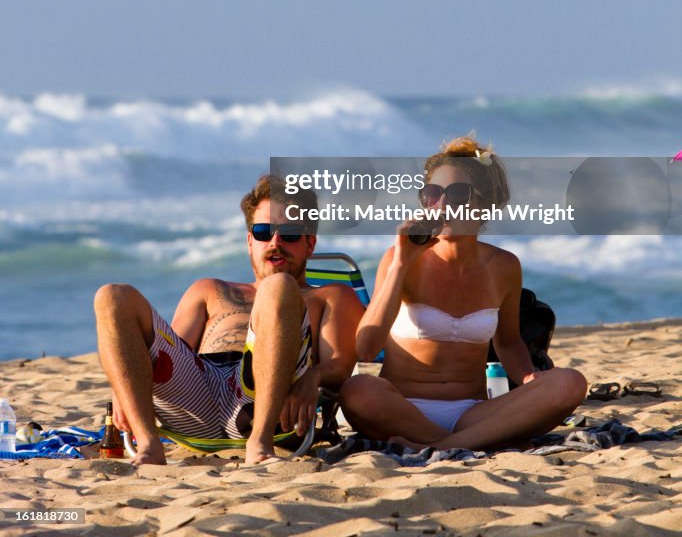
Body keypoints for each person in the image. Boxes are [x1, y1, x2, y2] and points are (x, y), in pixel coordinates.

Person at [94, 174, 364, 466]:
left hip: (266, 403)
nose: (275, 242)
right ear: (250, 241)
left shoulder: (332, 295)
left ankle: (259, 444)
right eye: (263, 232)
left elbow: (341, 364)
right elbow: (168, 355)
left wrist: (314, 378)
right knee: (112, 296)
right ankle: (149, 444)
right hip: (196, 395)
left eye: (289, 234)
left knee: (279, 287)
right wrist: (121, 386)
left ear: (310, 243)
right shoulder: (208, 289)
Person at [341, 136, 587, 451]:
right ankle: (460, 445)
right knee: (358, 389)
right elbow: (365, 348)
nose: (442, 205)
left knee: (570, 382)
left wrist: (529, 380)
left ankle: (443, 445)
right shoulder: (398, 258)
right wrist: (401, 264)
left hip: (472, 413)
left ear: (486, 204)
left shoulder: (504, 267)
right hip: (399, 408)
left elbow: (510, 343)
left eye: (457, 194)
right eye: (433, 194)